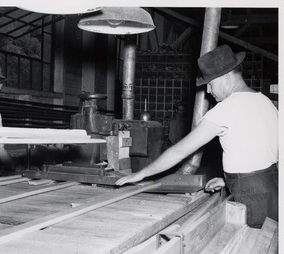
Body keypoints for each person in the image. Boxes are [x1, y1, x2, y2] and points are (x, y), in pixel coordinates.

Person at [116, 45, 278, 228]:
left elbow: (180, 150)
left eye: (210, 83)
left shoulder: (226, 108)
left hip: (252, 195)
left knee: (249, 249)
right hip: (272, 188)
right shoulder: (265, 102)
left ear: (226, 77)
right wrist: (230, 180)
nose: (209, 90)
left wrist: (141, 174)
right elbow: (259, 153)